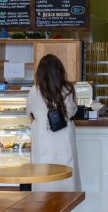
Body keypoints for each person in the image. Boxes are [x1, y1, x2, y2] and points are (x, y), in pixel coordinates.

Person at [26, 54, 81, 193]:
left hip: (43, 140)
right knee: (66, 172)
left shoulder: (34, 91)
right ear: (60, 71)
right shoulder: (68, 90)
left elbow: (29, 113)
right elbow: (73, 111)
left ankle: (43, 203)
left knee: (43, 174)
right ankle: (66, 203)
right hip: (64, 140)